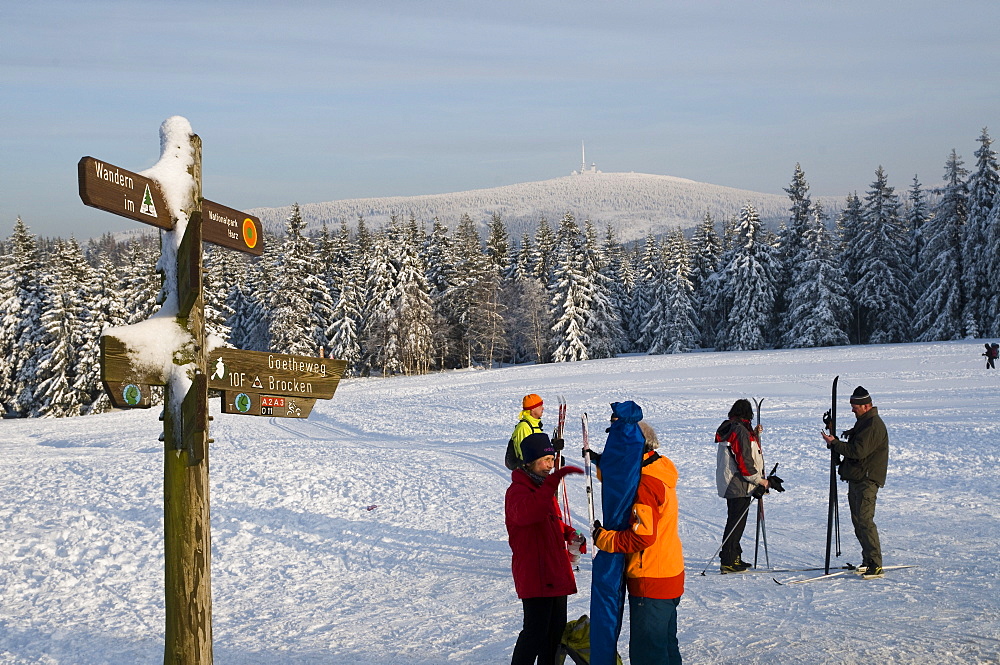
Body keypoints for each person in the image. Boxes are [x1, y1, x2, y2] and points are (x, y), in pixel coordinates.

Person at [593, 418, 685, 665]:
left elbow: (642, 536)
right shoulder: (658, 467)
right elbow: (624, 483)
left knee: (648, 654)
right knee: (665, 646)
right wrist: (602, 464)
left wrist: (606, 540)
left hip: (651, 579)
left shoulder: (646, 484)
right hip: (668, 572)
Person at [505, 432, 584, 665]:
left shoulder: (542, 489)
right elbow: (529, 514)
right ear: (530, 462)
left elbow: (552, 521)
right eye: (546, 461)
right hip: (536, 575)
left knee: (554, 636)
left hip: (555, 571)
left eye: (553, 461)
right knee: (535, 634)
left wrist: (570, 534)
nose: (551, 466)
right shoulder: (518, 492)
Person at [821, 385, 889, 579]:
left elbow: (858, 451)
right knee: (858, 521)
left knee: (865, 521)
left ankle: (875, 564)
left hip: (867, 479)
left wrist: (834, 443)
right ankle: (868, 560)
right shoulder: (863, 422)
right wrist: (834, 437)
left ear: (866, 406)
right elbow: (853, 447)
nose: (852, 409)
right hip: (857, 478)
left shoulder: (873, 425)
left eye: (855, 406)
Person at [714, 398, 769, 573]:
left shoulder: (733, 427)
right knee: (736, 522)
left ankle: (733, 556)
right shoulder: (739, 430)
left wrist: (753, 433)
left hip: (732, 481)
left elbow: (742, 447)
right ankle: (728, 560)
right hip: (737, 483)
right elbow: (744, 459)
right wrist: (759, 480)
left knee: (736, 520)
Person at [505, 394, 564, 470]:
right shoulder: (524, 427)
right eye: (540, 406)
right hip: (527, 474)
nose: (543, 408)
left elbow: (538, 450)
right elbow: (527, 455)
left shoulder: (535, 426)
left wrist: (553, 454)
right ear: (532, 409)